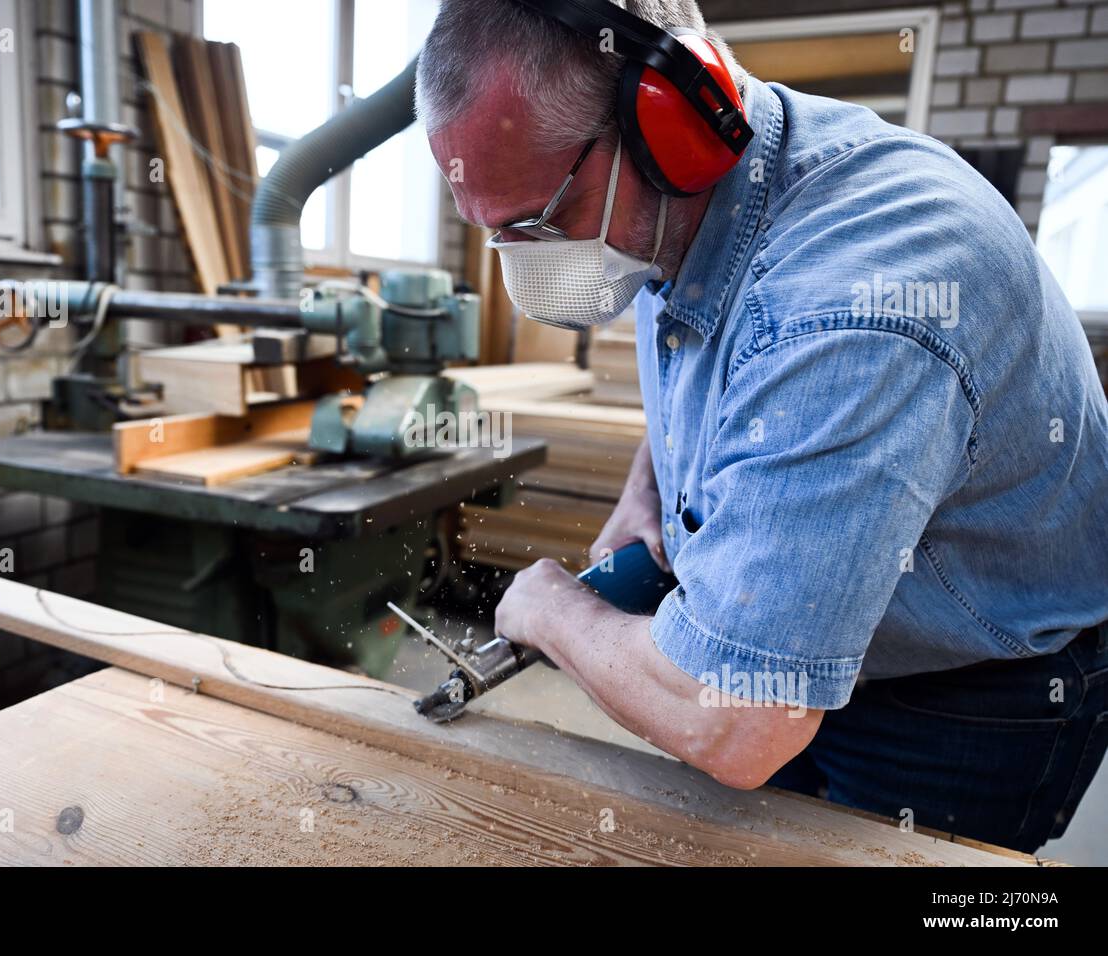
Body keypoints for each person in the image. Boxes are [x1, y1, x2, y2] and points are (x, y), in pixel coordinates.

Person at [417, 0, 1108, 851]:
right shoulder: (681, 212)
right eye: (498, 236)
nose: (529, 260)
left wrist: (550, 613)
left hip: (968, 682)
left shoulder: (853, 301)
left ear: (668, 119)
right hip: (829, 642)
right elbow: (721, 362)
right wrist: (655, 486)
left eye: (543, 220)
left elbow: (741, 721)